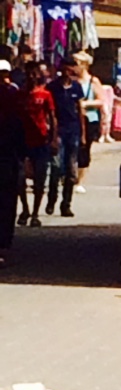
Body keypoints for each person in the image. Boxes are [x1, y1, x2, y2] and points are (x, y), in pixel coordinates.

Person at [16, 62, 58, 228]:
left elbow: (52, 117)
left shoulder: (45, 95)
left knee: (40, 178)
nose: (32, 77)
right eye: (29, 74)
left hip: (41, 141)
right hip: (21, 140)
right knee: (19, 178)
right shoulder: (20, 95)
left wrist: (54, 139)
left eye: (35, 74)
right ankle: (25, 208)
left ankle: (35, 213)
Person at [46, 58, 85, 218]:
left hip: (73, 131)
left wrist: (83, 134)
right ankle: (52, 199)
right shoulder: (53, 87)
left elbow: (80, 111)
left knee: (71, 170)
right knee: (56, 168)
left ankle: (66, 204)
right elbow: (51, 113)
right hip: (58, 131)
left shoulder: (77, 87)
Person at [0, 81, 25, 267]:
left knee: (6, 202)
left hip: (8, 160)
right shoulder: (11, 98)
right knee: (6, 203)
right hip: (9, 160)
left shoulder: (12, 98)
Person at [73, 51, 104, 194]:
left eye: (76, 63)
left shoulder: (93, 81)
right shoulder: (72, 82)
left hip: (89, 118)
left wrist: (85, 104)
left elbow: (101, 100)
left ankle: (80, 179)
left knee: (84, 148)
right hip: (73, 118)